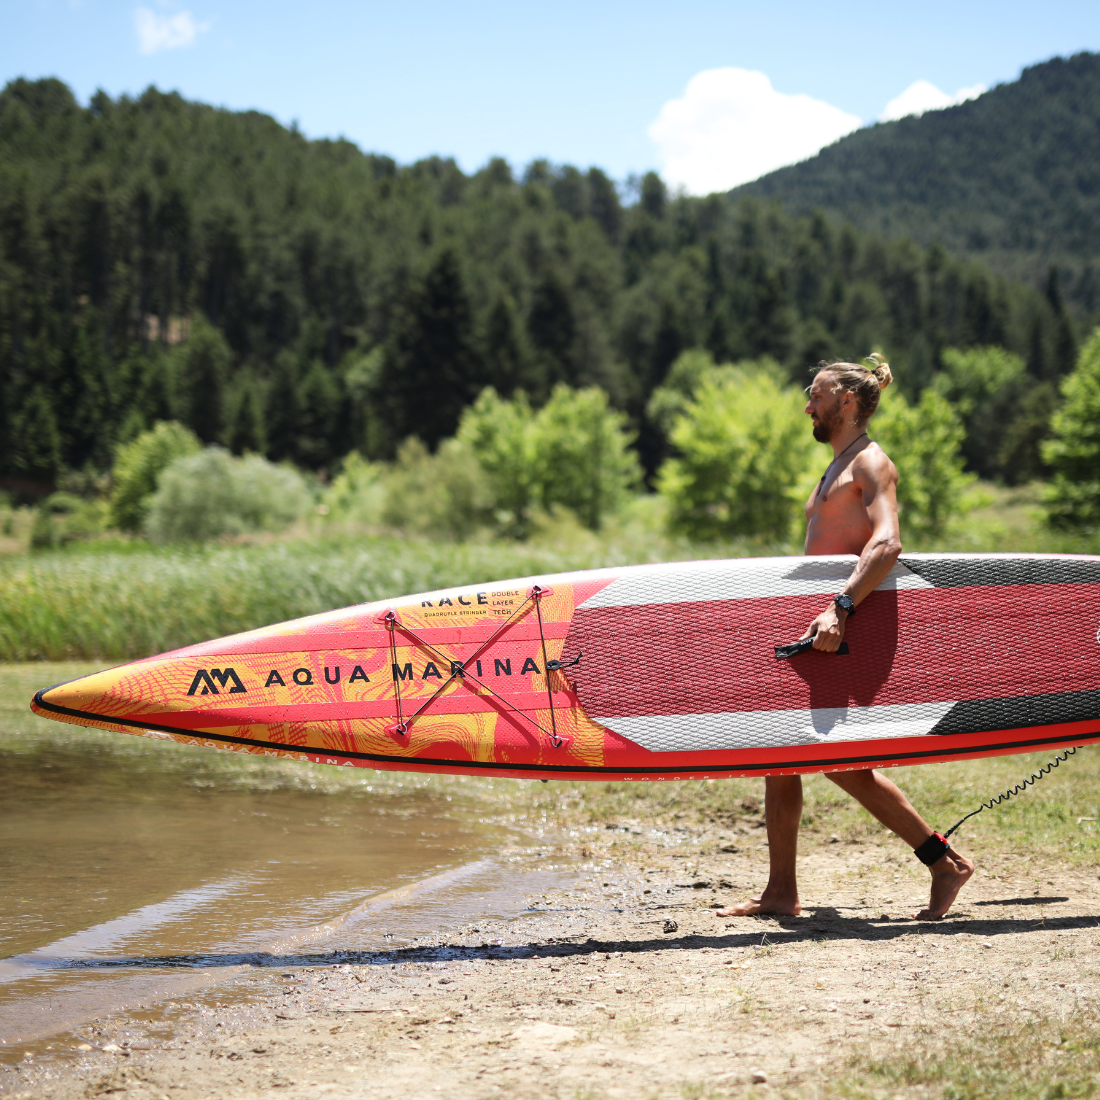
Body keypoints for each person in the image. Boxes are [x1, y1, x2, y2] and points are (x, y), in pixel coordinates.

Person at [716, 354, 974, 922]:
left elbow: (886, 544)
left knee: (839, 762)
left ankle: (944, 862)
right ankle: (781, 891)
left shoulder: (872, 463)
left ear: (847, 401)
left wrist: (840, 610)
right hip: (819, 626)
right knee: (782, 753)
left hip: (844, 628)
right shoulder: (837, 466)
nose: (808, 404)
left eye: (817, 393)